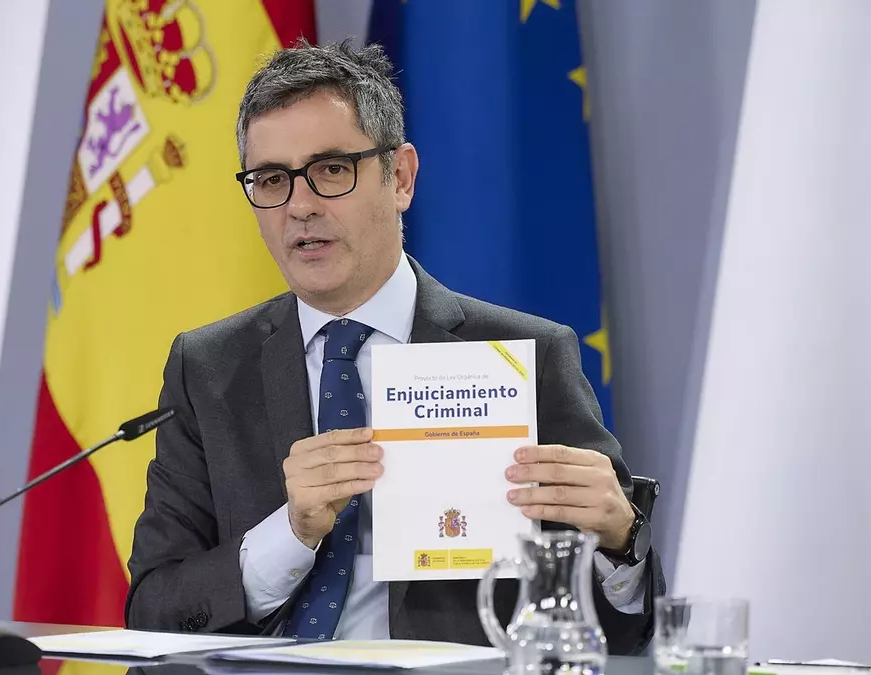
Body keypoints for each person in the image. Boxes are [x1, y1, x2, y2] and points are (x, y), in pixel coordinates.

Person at [124, 39, 664, 654]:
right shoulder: (208, 369)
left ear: (400, 177)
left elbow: (621, 635)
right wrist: (289, 534)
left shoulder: (527, 355)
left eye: (331, 170)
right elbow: (153, 611)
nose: (299, 206)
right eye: (271, 179)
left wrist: (620, 541)